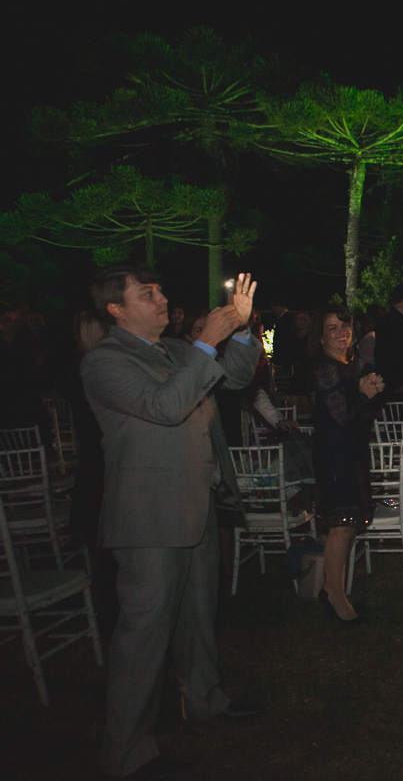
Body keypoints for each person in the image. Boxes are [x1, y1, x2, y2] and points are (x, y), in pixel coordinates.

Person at [82, 266, 262, 779]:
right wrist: (207, 340)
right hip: (148, 519)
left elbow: (242, 377)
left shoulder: (178, 351)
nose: (163, 299)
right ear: (116, 309)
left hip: (196, 505)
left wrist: (243, 332)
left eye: (160, 290)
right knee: (144, 637)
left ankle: (205, 698)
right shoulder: (106, 362)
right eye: (148, 294)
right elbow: (165, 407)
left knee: (199, 617)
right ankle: (127, 752)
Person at [308, 304, 385, 623]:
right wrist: (364, 395)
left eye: (344, 326)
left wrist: (371, 391)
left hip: (352, 453)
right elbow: (342, 416)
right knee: (340, 526)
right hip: (335, 456)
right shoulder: (324, 367)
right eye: (332, 328)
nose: (342, 333)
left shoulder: (347, 364)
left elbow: (360, 418)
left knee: (350, 524)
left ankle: (334, 591)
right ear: (321, 337)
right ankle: (334, 596)